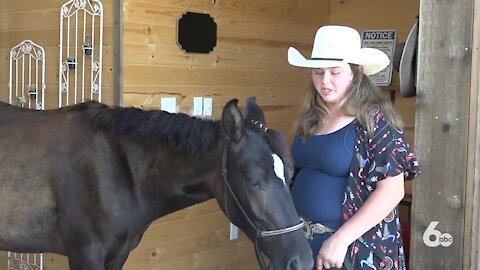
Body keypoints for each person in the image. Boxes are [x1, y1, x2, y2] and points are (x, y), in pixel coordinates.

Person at [287, 25, 419, 270]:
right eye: (318, 71)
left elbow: (392, 191)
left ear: (356, 72)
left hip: (352, 250)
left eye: (334, 72)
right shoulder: (311, 117)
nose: (324, 80)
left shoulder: (376, 120)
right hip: (302, 245)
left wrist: (340, 240)